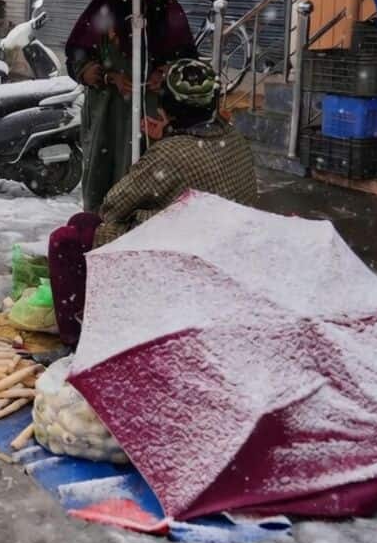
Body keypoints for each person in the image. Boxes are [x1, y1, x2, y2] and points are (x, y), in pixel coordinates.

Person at [48, 59, 257, 347]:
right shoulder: (235, 139)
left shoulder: (171, 153)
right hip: (222, 240)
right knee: (83, 223)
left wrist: (159, 146)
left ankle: (77, 339)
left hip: (179, 250)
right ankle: (98, 313)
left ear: (166, 108)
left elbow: (112, 207)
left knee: (66, 239)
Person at [65, 0, 199, 212]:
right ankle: (103, 224)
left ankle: (143, 226)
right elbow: (77, 58)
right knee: (105, 176)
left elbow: (188, 61)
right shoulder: (104, 12)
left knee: (149, 179)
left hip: (153, 113)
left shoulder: (168, 11)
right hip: (108, 112)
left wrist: (166, 72)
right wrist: (107, 76)